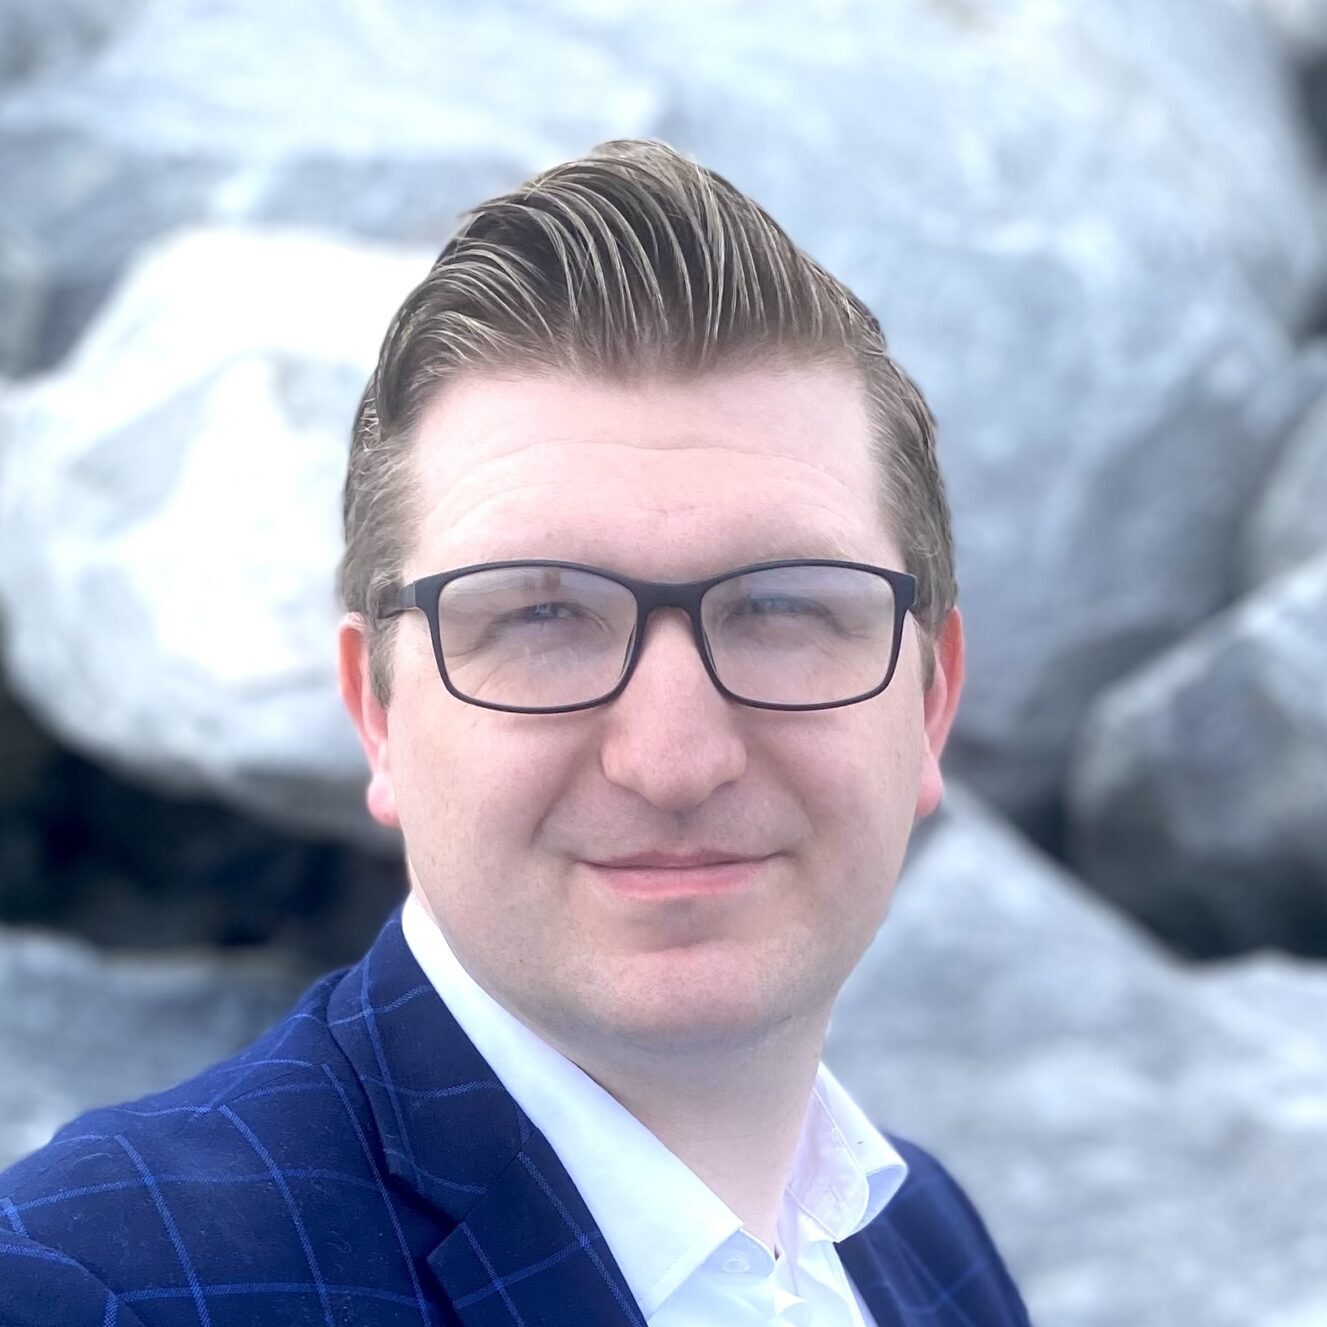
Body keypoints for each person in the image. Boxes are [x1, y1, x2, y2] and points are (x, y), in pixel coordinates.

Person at [0, 140, 1031, 1326]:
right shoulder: (92, 1289)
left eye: (784, 610)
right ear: (379, 714)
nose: (674, 761)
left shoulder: (931, 1248)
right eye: (542, 618)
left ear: (930, 701)